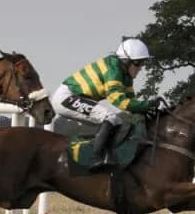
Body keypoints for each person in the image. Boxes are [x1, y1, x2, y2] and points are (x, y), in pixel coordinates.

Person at [50, 38, 163, 168]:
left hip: (75, 97)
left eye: (142, 64)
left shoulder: (125, 76)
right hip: (66, 97)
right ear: (126, 61)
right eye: (138, 64)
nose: (141, 68)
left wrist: (149, 109)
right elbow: (119, 102)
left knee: (120, 122)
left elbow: (131, 103)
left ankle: (106, 155)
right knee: (110, 117)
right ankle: (95, 158)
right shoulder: (113, 70)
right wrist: (149, 104)